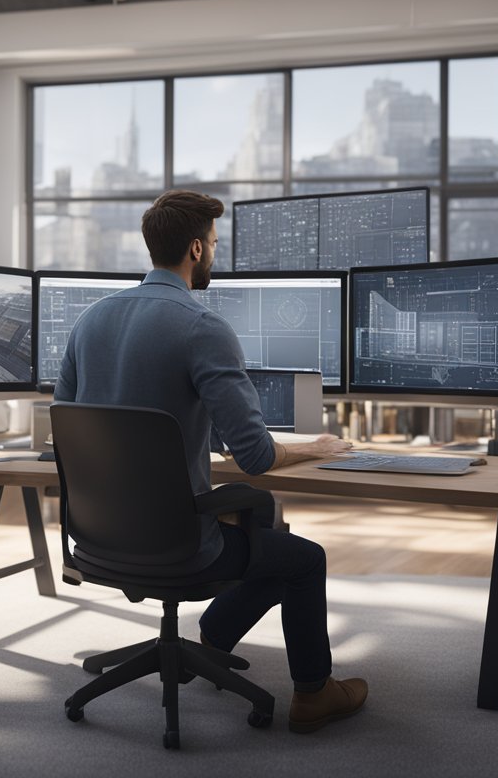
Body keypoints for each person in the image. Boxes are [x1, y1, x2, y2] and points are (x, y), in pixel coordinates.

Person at [54, 189, 368, 734]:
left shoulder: (90, 321)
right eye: (215, 246)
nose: (214, 257)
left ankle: (214, 637)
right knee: (301, 557)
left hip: (98, 541)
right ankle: (314, 695)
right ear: (196, 250)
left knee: (268, 530)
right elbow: (254, 455)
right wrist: (312, 447)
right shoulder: (203, 328)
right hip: (180, 547)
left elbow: (67, 428)